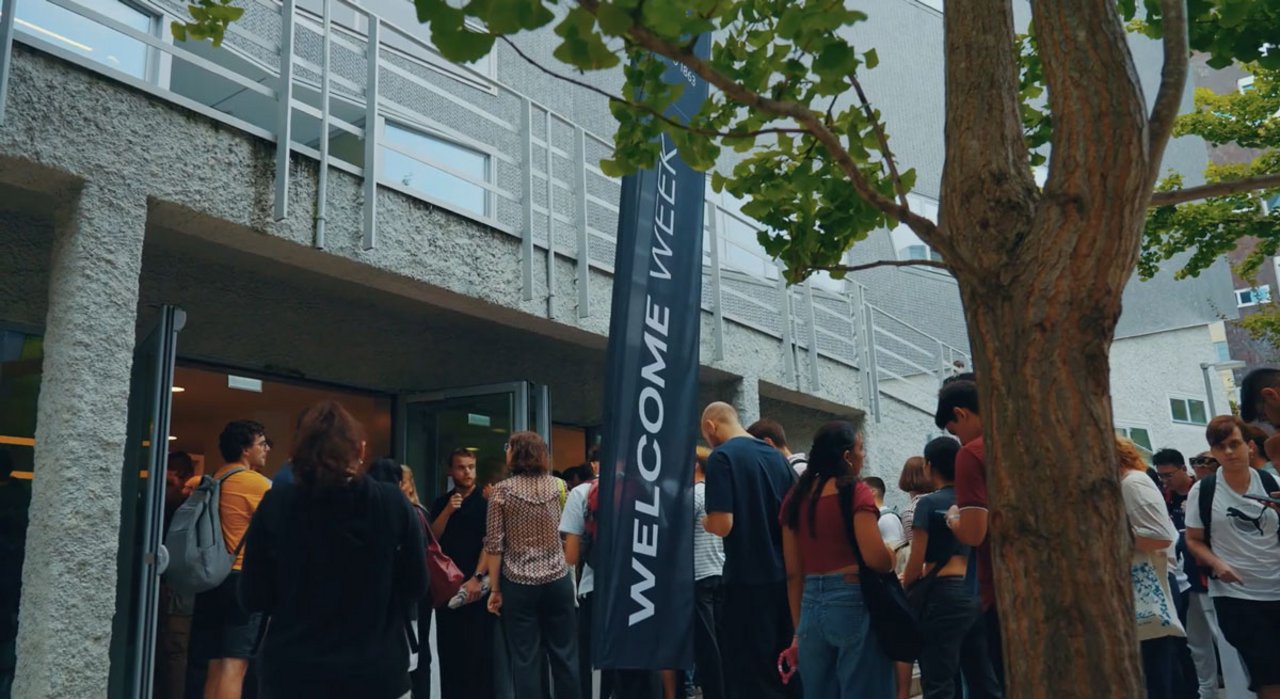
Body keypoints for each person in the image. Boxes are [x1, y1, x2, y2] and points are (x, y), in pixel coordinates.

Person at [239, 402, 427, 699]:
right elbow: (416, 584)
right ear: (360, 450)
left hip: (293, 673)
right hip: (377, 672)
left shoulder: (277, 503)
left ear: (299, 452)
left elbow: (253, 595)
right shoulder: (391, 502)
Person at [778, 421, 894, 698]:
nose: (863, 455)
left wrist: (798, 631)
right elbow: (875, 558)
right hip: (852, 598)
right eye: (861, 449)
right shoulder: (855, 491)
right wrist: (890, 554)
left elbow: (793, 573)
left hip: (809, 606)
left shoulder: (795, 497)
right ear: (847, 456)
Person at [701, 402, 799, 699]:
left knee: (747, 672)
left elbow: (723, 524)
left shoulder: (721, 458)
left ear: (711, 427)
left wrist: (706, 522)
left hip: (745, 579)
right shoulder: (777, 457)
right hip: (784, 579)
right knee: (784, 667)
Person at [1186, 415, 1280, 699]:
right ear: (1213, 453)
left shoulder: (1271, 482)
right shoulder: (1204, 490)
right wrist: (1218, 564)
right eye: (1220, 447)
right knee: (1267, 676)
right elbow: (1193, 539)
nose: (1228, 452)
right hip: (1237, 597)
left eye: (1234, 444)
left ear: (1249, 446)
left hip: (1276, 586)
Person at [901, 437, 1001, 699]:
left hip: (941, 595)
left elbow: (916, 560)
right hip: (974, 592)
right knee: (982, 676)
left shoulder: (926, 504)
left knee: (939, 680)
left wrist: (907, 587)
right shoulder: (973, 501)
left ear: (929, 466)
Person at [484, 432, 580, 699]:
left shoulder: (501, 491)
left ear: (517, 453)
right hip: (557, 579)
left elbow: (494, 545)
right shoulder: (559, 486)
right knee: (565, 654)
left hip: (519, 583)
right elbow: (568, 532)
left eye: (509, 447)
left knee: (526, 658)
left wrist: (495, 589)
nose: (506, 451)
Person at [560, 456, 658, 699]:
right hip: (639, 589)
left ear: (596, 465)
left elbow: (571, 556)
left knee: (596, 669)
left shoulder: (582, 493)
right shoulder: (647, 490)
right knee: (636, 667)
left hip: (596, 590)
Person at [190, 420, 272, 699]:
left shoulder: (214, 479)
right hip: (241, 580)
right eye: (262, 443)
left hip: (212, 578)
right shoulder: (254, 482)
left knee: (214, 664)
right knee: (235, 665)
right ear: (245, 450)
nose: (267, 449)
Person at [936, 380, 1004, 687]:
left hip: (998, 586)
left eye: (954, 431)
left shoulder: (971, 454)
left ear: (961, 413)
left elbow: (975, 533)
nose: (958, 440)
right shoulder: (1017, 443)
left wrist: (954, 519)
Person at [1117, 438, 1186, 699]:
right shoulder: (1130, 482)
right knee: (1162, 672)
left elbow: (1159, 536)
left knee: (1156, 673)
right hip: (1149, 583)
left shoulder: (1132, 483)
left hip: (1150, 583)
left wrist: (1108, 534)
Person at [430, 449, 495, 699]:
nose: (467, 472)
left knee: (479, 654)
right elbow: (432, 539)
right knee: (449, 652)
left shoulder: (486, 502)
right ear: (450, 471)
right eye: (461, 467)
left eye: (471, 467)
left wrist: (477, 578)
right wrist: (448, 511)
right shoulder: (441, 502)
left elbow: (491, 543)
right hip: (448, 588)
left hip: (477, 588)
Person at [156, 451, 196, 699]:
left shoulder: (183, 507)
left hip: (176, 587)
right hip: (171, 586)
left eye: (170, 483)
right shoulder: (179, 506)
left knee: (174, 650)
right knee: (173, 650)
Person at [692, 446, 726, 699]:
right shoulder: (718, 493)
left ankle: (715, 692)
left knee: (706, 643)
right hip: (721, 570)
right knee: (722, 636)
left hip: (699, 574)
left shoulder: (693, 495)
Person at [863, 477, 906, 549]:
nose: (858, 494)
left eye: (862, 491)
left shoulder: (886, 518)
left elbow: (894, 549)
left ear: (872, 492)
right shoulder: (875, 516)